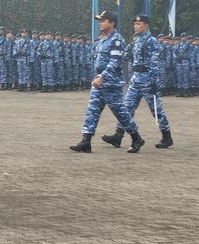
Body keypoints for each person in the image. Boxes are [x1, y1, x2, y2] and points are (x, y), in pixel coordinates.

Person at [70, 11, 145, 154]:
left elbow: (114, 62)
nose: (100, 23)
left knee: (121, 113)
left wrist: (102, 77)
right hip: (99, 83)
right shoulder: (102, 40)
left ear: (111, 23)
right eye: (99, 20)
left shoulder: (117, 40)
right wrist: (97, 77)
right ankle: (86, 141)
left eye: (103, 20)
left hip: (111, 84)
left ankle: (136, 138)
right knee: (91, 111)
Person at [103, 14, 173, 150]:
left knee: (156, 110)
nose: (136, 26)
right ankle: (118, 135)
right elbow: (126, 55)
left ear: (146, 25)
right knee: (126, 107)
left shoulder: (151, 41)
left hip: (147, 79)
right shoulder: (135, 41)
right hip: (136, 79)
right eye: (135, 24)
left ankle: (167, 136)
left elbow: (154, 63)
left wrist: (154, 81)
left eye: (139, 24)